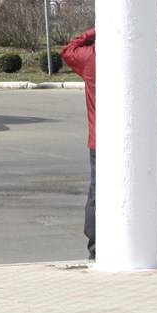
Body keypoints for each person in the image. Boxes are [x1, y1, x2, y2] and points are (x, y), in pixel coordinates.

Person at [60, 28, 96, 261]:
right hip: (137, 140)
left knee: (97, 194)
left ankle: (96, 247)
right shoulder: (137, 57)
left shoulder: (91, 58)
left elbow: (68, 50)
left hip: (99, 140)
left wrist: (92, 32)